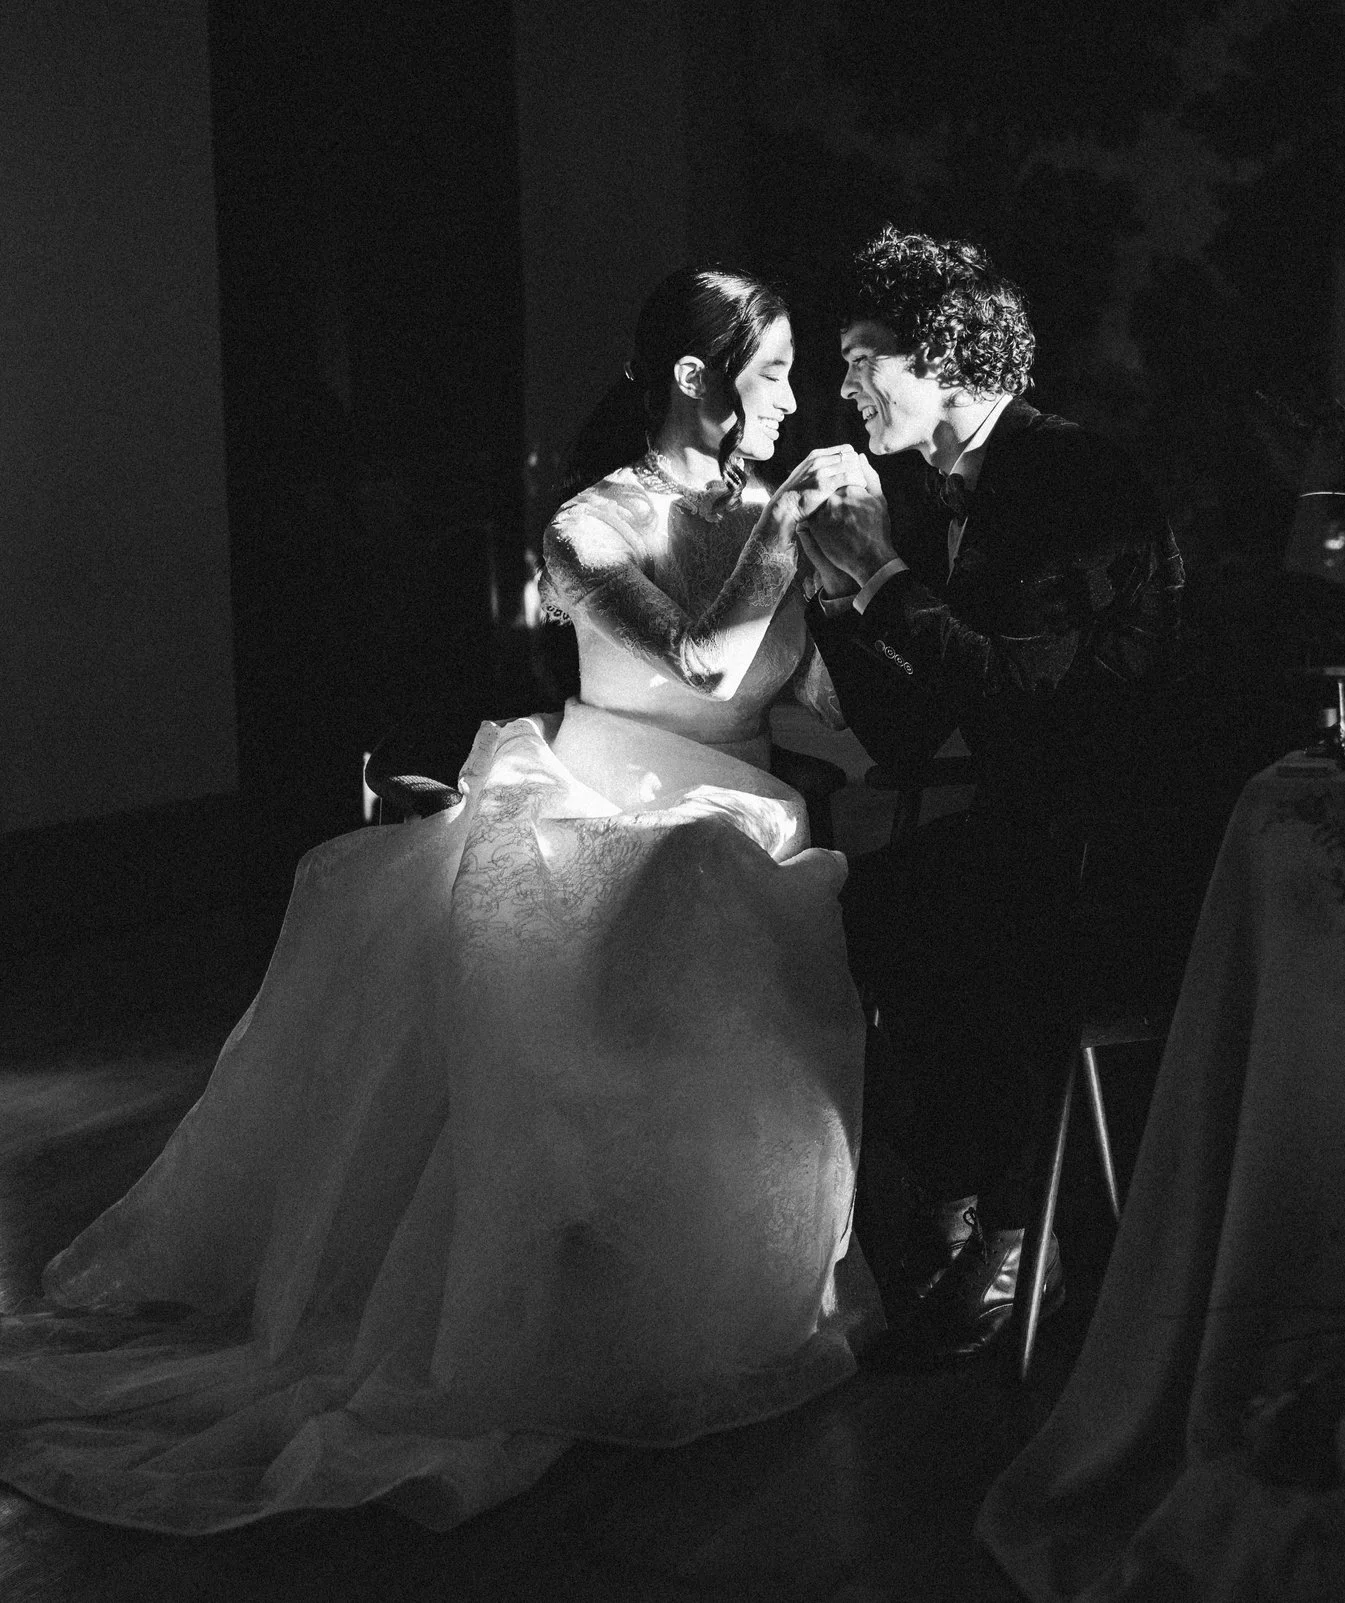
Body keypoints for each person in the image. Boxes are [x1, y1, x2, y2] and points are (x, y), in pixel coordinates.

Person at [0, 267, 878, 1534]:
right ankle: (542, 1287)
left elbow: (799, 696)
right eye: (776, 369)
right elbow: (695, 658)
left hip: (740, 801)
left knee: (713, 862)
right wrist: (783, 542)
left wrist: (864, 605)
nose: (796, 400)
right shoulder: (587, 527)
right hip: (605, 786)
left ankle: (722, 1281)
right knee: (641, 880)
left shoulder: (769, 511)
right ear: (697, 378)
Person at [786, 227, 1183, 1363]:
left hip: (1117, 845)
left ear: (950, 357)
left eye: (867, 357)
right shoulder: (926, 491)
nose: (844, 383)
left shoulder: (1074, 478)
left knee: (961, 913)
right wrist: (833, 592)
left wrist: (886, 579)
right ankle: (963, 1195)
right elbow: (910, 730)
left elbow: (1028, 692)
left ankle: (1013, 1221)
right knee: (843, 912)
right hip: (1012, 824)